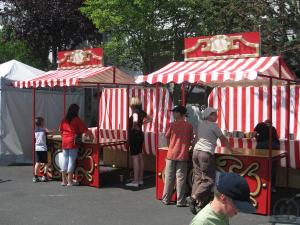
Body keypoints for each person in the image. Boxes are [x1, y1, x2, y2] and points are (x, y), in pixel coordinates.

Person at [187, 107, 233, 215]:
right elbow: (223, 139)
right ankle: (194, 198)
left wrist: (192, 148)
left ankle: (197, 203)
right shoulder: (214, 126)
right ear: (209, 116)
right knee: (209, 180)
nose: (217, 116)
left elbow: (196, 139)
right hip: (206, 153)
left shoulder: (200, 124)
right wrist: (231, 150)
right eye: (215, 114)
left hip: (196, 152)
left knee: (198, 178)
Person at [189, 172, 256, 225]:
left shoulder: (222, 213)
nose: (238, 211)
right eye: (237, 205)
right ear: (223, 198)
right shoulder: (202, 222)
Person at [162, 105, 194, 207]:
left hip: (171, 154)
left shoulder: (171, 125)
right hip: (183, 154)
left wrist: (170, 146)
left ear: (180, 114)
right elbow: (190, 140)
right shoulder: (189, 126)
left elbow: (167, 138)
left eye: (175, 112)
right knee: (180, 178)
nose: (173, 113)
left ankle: (166, 199)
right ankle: (180, 201)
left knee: (169, 177)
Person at [59, 103, 93, 186]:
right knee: (71, 160)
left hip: (65, 140)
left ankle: (64, 180)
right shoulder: (77, 120)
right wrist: (92, 137)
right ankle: (70, 181)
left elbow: (60, 130)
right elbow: (85, 130)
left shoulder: (64, 119)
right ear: (76, 111)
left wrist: (64, 136)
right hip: (73, 141)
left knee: (65, 159)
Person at [126, 97, 151, 187]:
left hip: (134, 136)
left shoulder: (135, 112)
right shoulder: (142, 112)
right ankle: (140, 179)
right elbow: (150, 119)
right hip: (140, 135)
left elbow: (135, 119)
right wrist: (142, 124)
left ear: (132, 104)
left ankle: (135, 181)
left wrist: (134, 125)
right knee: (140, 156)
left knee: (135, 158)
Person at [254, 119, 280, 192]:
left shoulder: (260, 125)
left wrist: (258, 140)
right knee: (273, 166)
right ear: (270, 123)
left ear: (265, 122)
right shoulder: (273, 128)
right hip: (275, 146)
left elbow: (254, 134)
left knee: (260, 164)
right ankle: (272, 187)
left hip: (263, 145)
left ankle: (260, 185)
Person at [33, 117, 53, 183]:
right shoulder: (44, 129)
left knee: (38, 162)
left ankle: (35, 176)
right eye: (43, 122)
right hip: (43, 148)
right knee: (47, 162)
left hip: (37, 148)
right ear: (41, 122)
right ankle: (44, 176)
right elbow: (50, 134)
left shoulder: (35, 130)